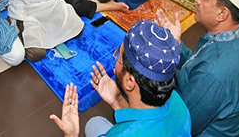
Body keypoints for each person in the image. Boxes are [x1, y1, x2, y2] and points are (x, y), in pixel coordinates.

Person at [158, 0, 239, 137]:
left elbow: (184, 125)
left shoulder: (214, 74)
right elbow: (196, 64)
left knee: (138, 82)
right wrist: (177, 43)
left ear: (222, 13)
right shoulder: (234, 39)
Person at [51, 21, 191, 137]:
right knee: (94, 124)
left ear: (129, 81)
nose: (115, 63)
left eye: (118, 56)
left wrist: (72, 135)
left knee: (93, 124)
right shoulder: (179, 104)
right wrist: (117, 100)